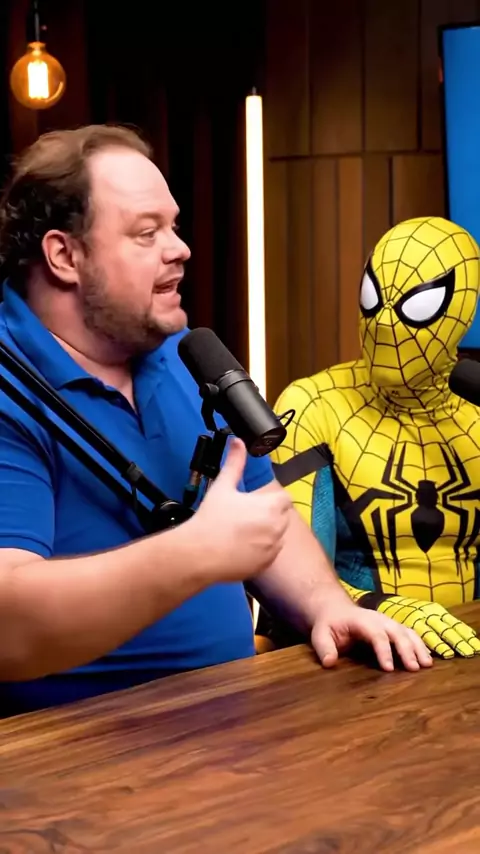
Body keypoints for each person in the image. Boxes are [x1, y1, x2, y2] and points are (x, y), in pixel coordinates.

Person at [0, 126, 431, 715]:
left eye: (173, 226)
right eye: (147, 233)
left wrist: (328, 606)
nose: (179, 249)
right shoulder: (10, 387)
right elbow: (8, 628)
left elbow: (264, 511)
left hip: (234, 718)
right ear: (64, 256)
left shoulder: (177, 353)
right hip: (80, 749)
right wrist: (194, 553)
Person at [271, 215, 480, 660]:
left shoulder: (475, 409)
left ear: (462, 312)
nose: (384, 323)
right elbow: (286, 577)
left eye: (416, 305)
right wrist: (386, 609)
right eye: (374, 298)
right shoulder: (314, 406)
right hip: (353, 658)